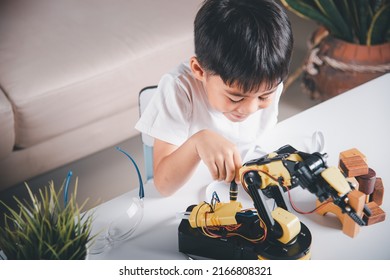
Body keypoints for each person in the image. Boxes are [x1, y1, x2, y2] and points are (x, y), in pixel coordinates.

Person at [135, 0, 293, 196]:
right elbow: (163, 186)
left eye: (264, 96)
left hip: (244, 185)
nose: (250, 108)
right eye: (236, 98)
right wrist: (197, 142)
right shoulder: (179, 89)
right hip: (191, 191)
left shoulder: (268, 78)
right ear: (199, 70)